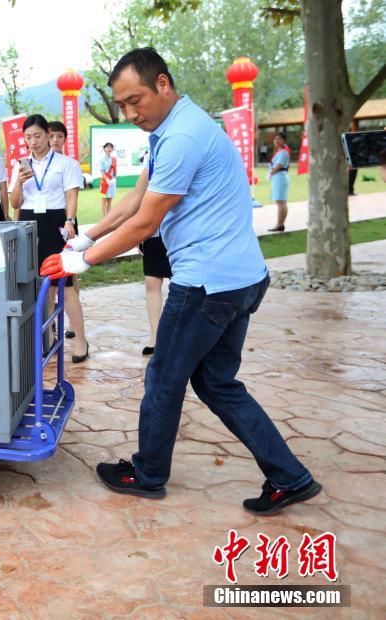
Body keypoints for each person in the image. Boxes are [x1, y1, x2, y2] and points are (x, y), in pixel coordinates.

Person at [42, 47, 320, 515]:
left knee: (165, 378)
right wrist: (84, 236)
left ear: (163, 84)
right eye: (123, 106)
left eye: (136, 101)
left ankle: (147, 473)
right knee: (216, 382)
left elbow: (146, 223)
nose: (130, 114)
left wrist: (81, 263)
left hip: (207, 285)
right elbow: (134, 200)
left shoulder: (183, 137)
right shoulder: (173, 129)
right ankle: (290, 475)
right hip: (241, 278)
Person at [9, 115, 89, 359]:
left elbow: (71, 196)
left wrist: (69, 221)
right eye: (27, 137)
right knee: (40, 287)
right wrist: (20, 183)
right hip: (29, 224)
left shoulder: (66, 164)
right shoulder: (21, 166)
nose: (32, 142)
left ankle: (81, 342)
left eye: (37, 136)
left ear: (47, 134)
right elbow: (14, 203)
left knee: (63, 286)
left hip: (55, 224)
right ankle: (49, 338)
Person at [139, 233, 170, 356]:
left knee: (180, 283)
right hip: (153, 232)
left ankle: (180, 335)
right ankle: (155, 336)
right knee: (151, 281)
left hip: (180, 230)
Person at [267, 133, 290, 232]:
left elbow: (279, 165)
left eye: (279, 139)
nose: (276, 141)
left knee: (280, 202)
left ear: (284, 140)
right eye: (275, 139)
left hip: (280, 176)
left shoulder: (283, 152)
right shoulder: (281, 151)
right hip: (279, 177)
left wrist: (270, 173)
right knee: (281, 202)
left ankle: (279, 224)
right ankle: (280, 224)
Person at [99, 142, 117, 216]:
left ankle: (108, 217)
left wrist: (114, 178)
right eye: (107, 147)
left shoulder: (114, 159)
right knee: (104, 200)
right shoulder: (102, 159)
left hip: (112, 182)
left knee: (110, 200)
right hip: (104, 182)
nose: (109, 149)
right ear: (104, 149)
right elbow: (102, 171)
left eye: (110, 147)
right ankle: (104, 218)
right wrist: (107, 180)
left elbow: (115, 170)